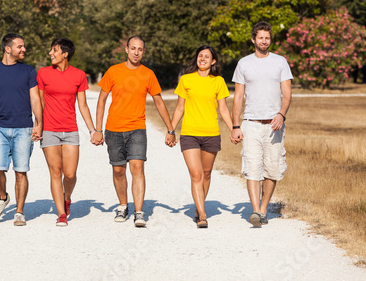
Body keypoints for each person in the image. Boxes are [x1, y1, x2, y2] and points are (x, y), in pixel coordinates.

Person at [92, 35, 175, 227]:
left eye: (140, 49)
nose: (136, 52)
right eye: (133, 48)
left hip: (137, 128)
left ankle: (139, 211)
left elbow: (159, 101)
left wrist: (170, 128)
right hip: (113, 129)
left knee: (137, 168)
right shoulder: (113, 71)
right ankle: (123, 205)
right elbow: (102, 100)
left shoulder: (148, 74)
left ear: (143, 52)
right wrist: (97, 129)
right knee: (119, 170)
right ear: (126, 50)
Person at [230, 21, 293, 227]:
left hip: (274, 124)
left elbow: (287, 93)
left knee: (272, 168)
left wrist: (281, 115)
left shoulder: (280, 62)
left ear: (270, 40)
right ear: (253, 40)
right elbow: (238, 97)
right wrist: (235, 126)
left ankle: (264, 209)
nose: (264, 41)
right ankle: (255, 211)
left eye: (267, 38)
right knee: (252, 167)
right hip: (251, 124)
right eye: (260, 38)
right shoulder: (244, 63)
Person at [0, 33, 43, 227]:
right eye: (20, 47)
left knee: (21, 171)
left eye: (23, 47)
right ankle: (3, 196)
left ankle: (19, 212)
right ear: (8, 49)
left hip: (23, 128)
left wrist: (39, 123)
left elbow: (35, 98)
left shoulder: (28, 71)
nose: (23, 49)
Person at [168, 45, 233, 228]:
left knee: (206, 174)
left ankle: (199, 206)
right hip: (190, 134)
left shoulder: (218, 81)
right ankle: (202, 215)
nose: (202, 59)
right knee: (196, 174)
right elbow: (180, 108)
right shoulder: (186, 80)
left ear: (213, 61)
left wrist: (234, 128)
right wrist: (171, 130)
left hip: (211, 134)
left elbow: (223, 109)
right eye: (200, 56)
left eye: (207, 56)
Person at [37, 38, 96, 227]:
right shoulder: (43, 73)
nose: (51, 54)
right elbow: (39, 103)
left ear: (65, 54)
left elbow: (83, 105)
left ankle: (67, 196)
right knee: (55, 172)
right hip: (49, 130)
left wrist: (93, 130)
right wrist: (38, 125)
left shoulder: (78, 75)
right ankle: (61, 214)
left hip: (70, 130)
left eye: (54, 50)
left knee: (69, 174)